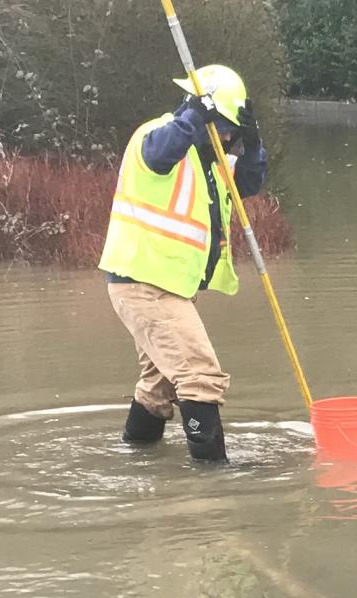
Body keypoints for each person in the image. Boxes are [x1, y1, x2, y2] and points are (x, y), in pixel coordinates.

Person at [98, 64, 268, 465]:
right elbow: (159, 153)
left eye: (234, 131)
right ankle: (214, 478)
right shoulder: (158, 137)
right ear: (204, 115)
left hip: (168, 286)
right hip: (144, 283)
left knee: (158, 387)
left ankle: (134, 460)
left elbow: (246, 185)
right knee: (200, 377)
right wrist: (193, 114)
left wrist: (254, 145)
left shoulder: (211, 160)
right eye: (224, 127)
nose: (228, 137)